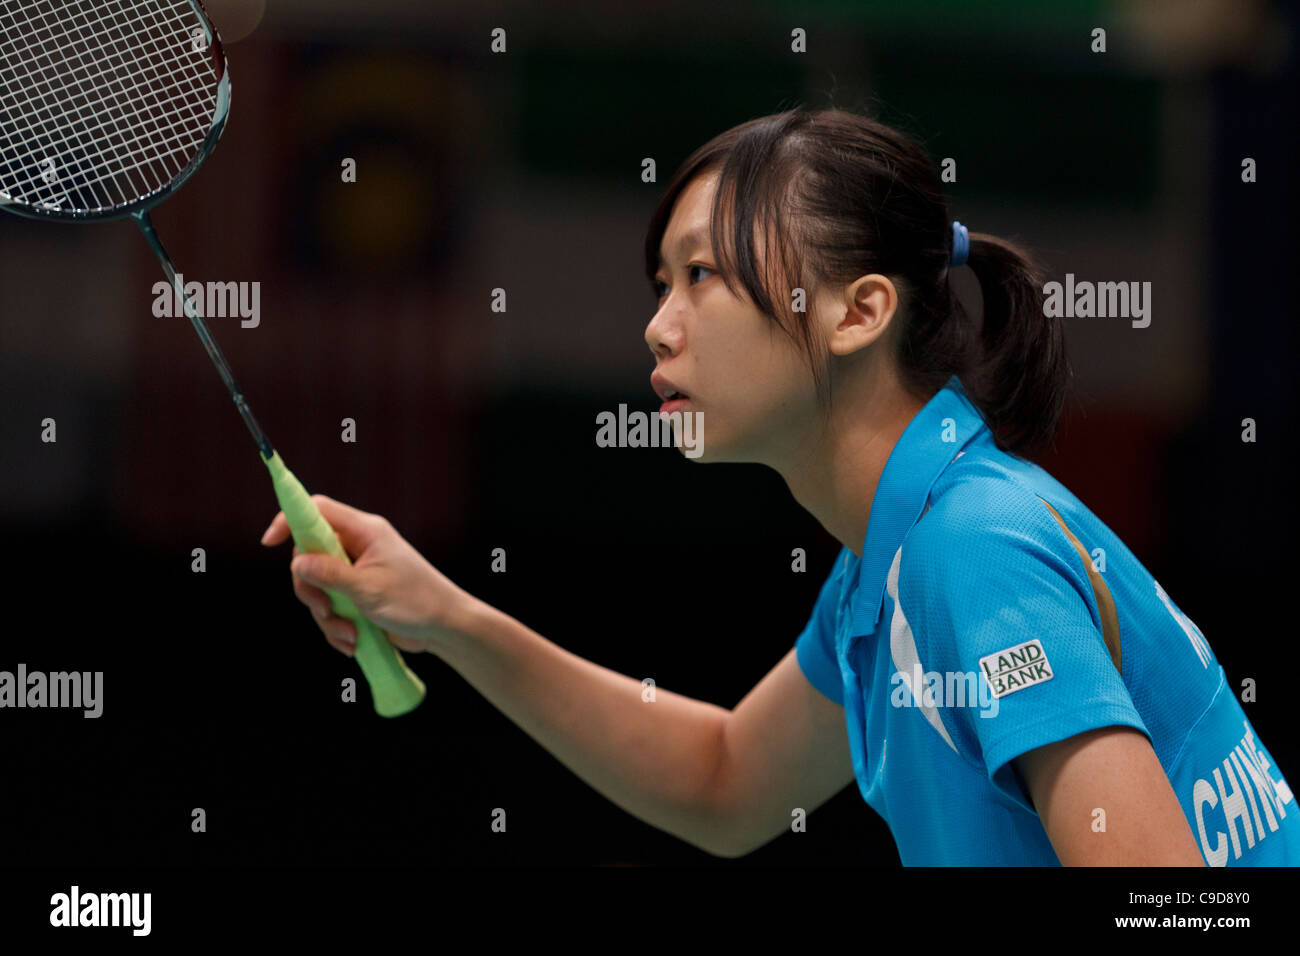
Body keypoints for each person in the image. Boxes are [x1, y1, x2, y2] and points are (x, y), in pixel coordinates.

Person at [261, 107, 1297, 865]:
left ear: (857, 312)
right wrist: (446, 615)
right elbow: (724, 782)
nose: (658, 325)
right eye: (659, 283)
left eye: (701, 275)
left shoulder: (970, 550)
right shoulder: (887, 569)